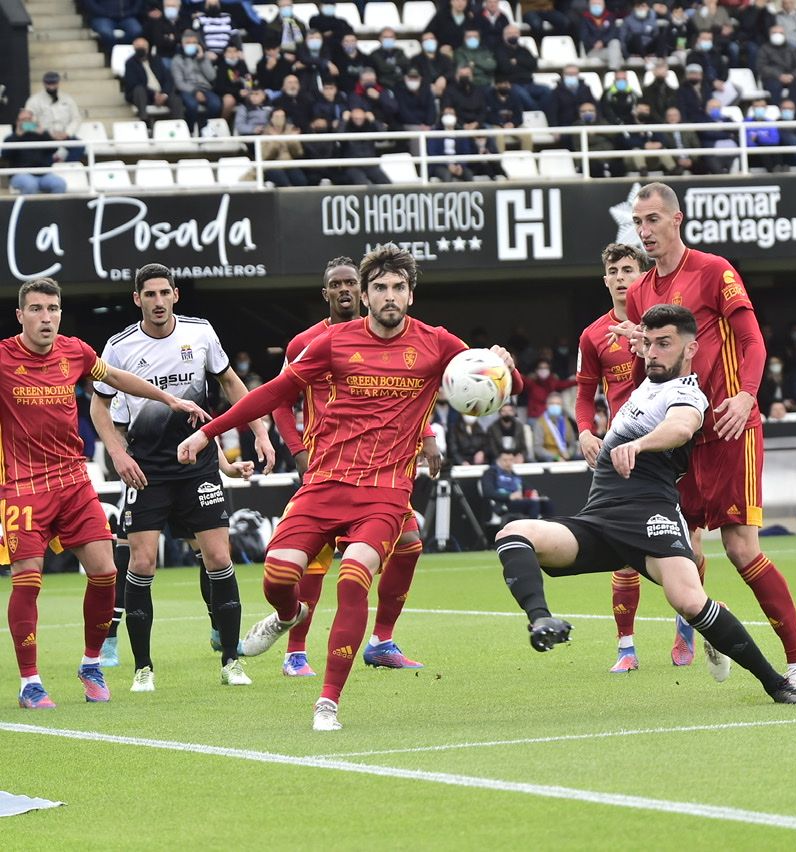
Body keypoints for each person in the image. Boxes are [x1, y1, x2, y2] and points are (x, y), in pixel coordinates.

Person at [176, 244, 524, 731]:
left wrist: (505, 366)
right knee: (278, 577)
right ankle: (286, 616)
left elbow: (501, 384)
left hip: (386, 489)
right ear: (363, 294)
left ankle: (328, 701)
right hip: (324, 481)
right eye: (379, 287)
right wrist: (207, 431)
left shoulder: (437, 342)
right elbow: (276, 393)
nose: (388, 296)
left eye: (397, 287)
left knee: (353, 576)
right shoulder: (333, 343)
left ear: (410, 293)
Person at [495, 305, 796, 705]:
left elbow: (680, 427)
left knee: (689, 602)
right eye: (648, 344)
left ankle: (775, 683)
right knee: (514, 534)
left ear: (691, 348)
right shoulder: (644, 387)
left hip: (652, 517)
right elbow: (597, 368)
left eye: (665, 344)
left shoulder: (687, 393)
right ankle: (541, 620)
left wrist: (639, 444)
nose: (653, 353)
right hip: (599, 518)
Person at [615, 182, 796, 693]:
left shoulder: (714, 271)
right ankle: (716, 617)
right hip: (678, 438)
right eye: (638, 223)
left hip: (730, 427)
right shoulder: (641, 291)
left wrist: (747, 395)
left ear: (677, 219)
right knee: (672, 551)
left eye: (653, 220)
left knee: (741, 549)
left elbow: (752, 339)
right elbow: (659, 364)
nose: (645, 232)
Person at [2, 277, 207, 709]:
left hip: (74, 481)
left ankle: (91, 664)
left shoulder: (75, 351)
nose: (46, 318)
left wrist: (170, 400)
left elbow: (115, 377)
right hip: (23, 488)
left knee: (105, 572)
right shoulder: (2, 358)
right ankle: (30, 682)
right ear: (20, 315)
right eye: (36, 309)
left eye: (53, 309)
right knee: (28, 579)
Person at [89, 263, 274, 690]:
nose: (157, 302)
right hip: (147, 470)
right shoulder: (118, 347)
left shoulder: (200, 333)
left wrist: (259, 432)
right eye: (148, 295)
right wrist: (118, 455)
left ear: (175, 295)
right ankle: (143, 668)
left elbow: (230, 383)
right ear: (137, 299)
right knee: (142, 563)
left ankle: (231, 661)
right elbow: (101, 408)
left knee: (219, 559)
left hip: (198, 465)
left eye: (163, 293)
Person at [267, 257, 426, 677]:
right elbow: (280, 400)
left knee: (409, 544)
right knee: (313, 561)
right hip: (327, 464)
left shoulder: (391, 338)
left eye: (350, 283)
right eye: (335, 284)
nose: (344, 290)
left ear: (362, 289)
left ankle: (382, 640)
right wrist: (298, 450)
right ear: (326, 293)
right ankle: (296, 651)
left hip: (380, 472)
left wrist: (426, 438)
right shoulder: (307, 340)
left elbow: (409, 396)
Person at [577, 243, 689, 673]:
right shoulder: (592, 335)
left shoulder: (664, 329)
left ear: (642, 276)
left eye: (629, 269)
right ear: (604, 279)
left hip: (670, 444)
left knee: (688, 543)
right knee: (623, 548)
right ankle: (626, 647)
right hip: (621, 450)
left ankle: (687, 622)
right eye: (613, 270)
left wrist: (642, 339)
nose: (621, 277)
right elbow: (585, 394)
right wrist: (586, 432)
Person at [2, 111, 66, 195]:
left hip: (43, 174)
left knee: (60, 184)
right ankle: (30, 208)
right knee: (30, 185)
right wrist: (17, 135)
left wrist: (43, 134)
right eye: (23, 119)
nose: (27, 121)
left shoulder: (41, 135)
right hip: (21, 175)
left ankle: (53, 208)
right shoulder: (11, 138)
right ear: (17, 122)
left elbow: (54, 148)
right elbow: (5, 155)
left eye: (29, 119)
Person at [124, 38, 183, 124]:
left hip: (161, 93)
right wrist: (153, 94)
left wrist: (164, 94)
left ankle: (178, 124)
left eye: (143, 47)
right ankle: (145, 123)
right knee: (139, 90)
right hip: (145, 94)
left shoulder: (156, 60)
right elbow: (133, 83)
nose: (141, 50)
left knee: (175, 99)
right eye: (138, 48)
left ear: (148, 48)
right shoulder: (130, 63)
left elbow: (167, 79)